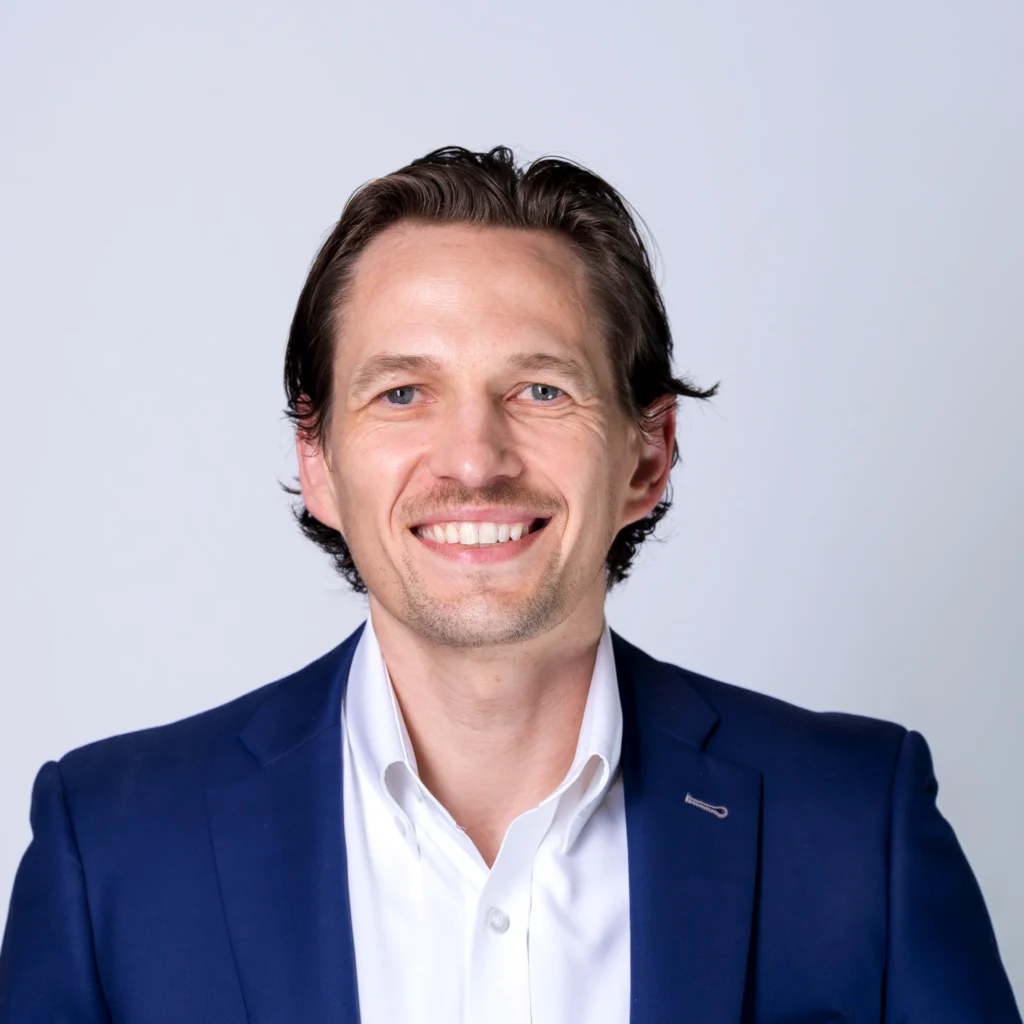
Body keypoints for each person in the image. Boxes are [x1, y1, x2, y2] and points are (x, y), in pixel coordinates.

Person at [0, 145, 1018, 1024]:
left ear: (648, 455)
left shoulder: (855, 826)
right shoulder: (114, 851)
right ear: (318, 461)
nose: (474, 459)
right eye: (404, 392)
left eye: (539, 389)